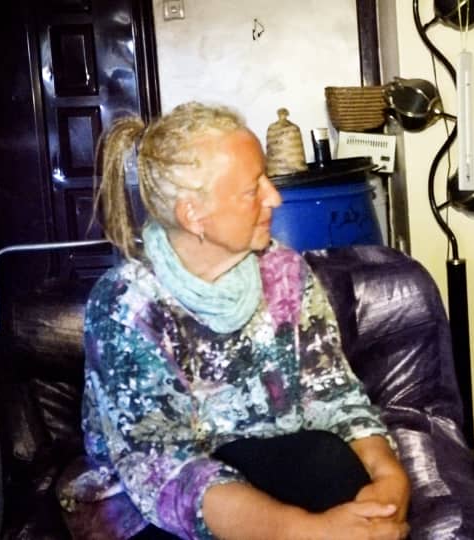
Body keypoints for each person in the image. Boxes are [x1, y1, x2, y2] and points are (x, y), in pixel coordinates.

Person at [58, 103, 410, 540]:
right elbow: (163, 470)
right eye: (252, 189)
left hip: (261, 470)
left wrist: (388, 479)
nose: (274, 197)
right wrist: (304, 530)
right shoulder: (126, 304)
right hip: (154, 507)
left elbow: (333, 394)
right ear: (193, 214)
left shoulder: (284, 271)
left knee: (331, 461)